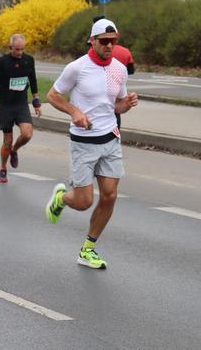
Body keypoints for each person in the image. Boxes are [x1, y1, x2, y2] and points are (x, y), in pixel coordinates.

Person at [45, 18, 139, 269]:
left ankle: (88, 249)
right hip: (83, 142)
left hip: (110, 138)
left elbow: (115, 105)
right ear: (92, 41)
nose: (109, 46)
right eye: (104, 41)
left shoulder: (119, 69)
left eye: (113, 41)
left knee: (109, 196)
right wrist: (74, 112)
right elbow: (53, 96)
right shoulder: (77, 68)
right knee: (84, 201)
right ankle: (62, 198)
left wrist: (126, 105)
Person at [0, 34, 42, 183]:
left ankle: (14, 150)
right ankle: (3, 168)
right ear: (10, 48)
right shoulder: (2, 62)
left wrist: (36, 101)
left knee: (27, 134)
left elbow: (33, 80)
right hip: (6, 106)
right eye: (17, 50)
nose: (20, 52)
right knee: (7, 141)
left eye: (22, 49)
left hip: (21, 104)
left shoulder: (28, 60)